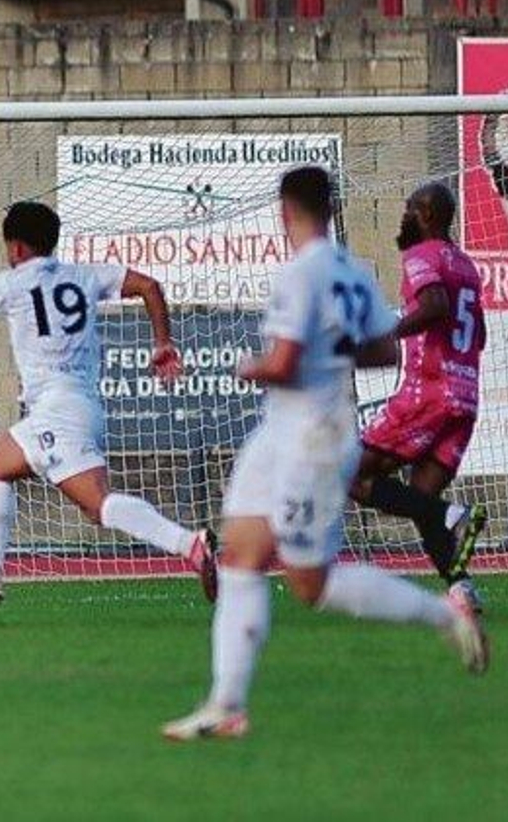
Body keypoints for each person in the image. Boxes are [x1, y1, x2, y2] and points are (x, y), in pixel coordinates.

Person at [163, 167, 488, 742]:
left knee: (308, 584)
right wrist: (332, 354)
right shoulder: (354, 272)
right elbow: (386, 350)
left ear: (285, 212)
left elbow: (283, 364)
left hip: (312, 437)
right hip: (281, 434)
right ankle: (225, 705)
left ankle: (445, 615)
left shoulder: (298, 273)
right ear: (331, 208)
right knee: (239, 554)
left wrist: (249, 366)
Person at [0, 202, 217, 612]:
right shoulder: (84, 274)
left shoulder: (10, 283)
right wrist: (163, 342)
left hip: (56, 409)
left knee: (98, 504)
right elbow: (149, 286)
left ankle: (188, 543)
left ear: (17, 247)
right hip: (82, 405)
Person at [352, 182, 488, 607]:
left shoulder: (422, 255)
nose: (404, 216)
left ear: (427, 215)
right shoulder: (466, 265)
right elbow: (477, 334)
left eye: (410, 209)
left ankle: (451, 515)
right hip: (465, 396)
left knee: (349, 472)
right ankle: (461, 587)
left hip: (429, 390)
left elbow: (435, 305)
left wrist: (386, 333)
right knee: (421, 498)